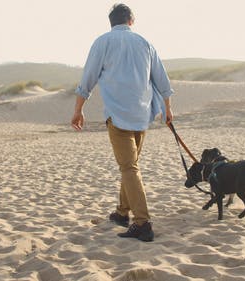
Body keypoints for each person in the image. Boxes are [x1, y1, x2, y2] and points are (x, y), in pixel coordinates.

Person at [71, 3, 174, 242]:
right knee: (130, 166)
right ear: (131, 21)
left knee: (129, 168)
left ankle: (142, 223)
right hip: (142, 115)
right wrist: (168, 109)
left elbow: (87, 78)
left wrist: (78, 110)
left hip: (118, 116)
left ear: (112, 22)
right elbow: (162, 79)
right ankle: (121, 213)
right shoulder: (145, 43)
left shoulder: (103, 42)